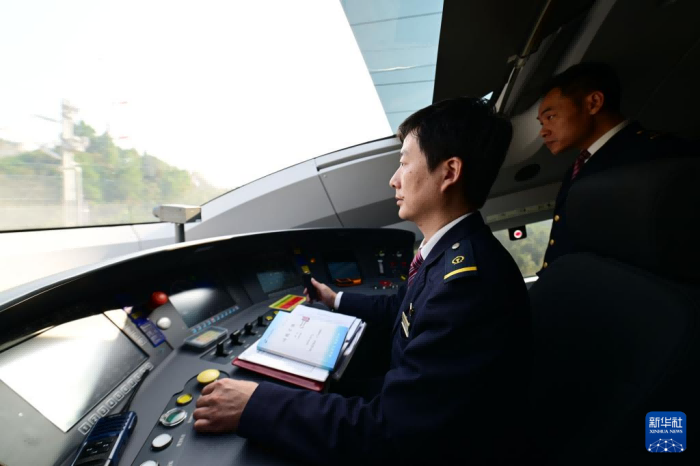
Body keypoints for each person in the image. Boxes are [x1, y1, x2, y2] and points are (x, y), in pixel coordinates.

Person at [193, 97, 533, 465]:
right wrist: (334, 300)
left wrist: (256, 405)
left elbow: (390, 434)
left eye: (404, 163)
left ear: (449, 172)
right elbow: (403, 306)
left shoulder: (466, 284)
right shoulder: (448, 255)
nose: (394, 179)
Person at [537, 62, 696, 270]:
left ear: (593, 103)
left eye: (550, 117)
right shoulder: (579, 167)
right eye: (542, 123)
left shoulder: (658, 154)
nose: (543, 131)